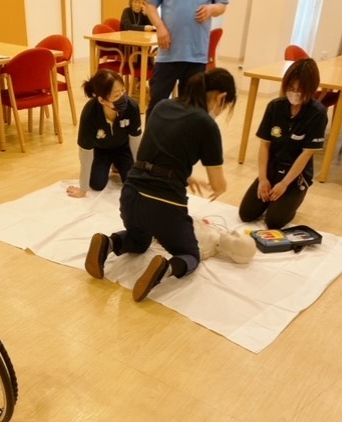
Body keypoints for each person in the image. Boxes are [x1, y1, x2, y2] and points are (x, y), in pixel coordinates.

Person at [84, 67, 236, 302]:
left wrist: (185, 176)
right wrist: (215, 185)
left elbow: (157, 153)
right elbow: (219, 185)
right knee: (190, 254)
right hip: (165, 204)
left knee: (139, 240)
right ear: (221, 98)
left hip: (131, 194)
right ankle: (164, 269)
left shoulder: (163, 106)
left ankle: (109, 243)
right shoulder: (206, 124)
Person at [238, 58, 328, 229]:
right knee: (246, 214)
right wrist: (263, 179)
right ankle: (271, 196)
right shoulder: (275, 106)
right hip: (272, 169)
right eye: (291, 88)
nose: (294, 93)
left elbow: (306, 153)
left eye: (300, 90)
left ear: (311, 89)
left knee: (274, 221)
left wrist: (285, 184)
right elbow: (264, 145)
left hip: (295, 176)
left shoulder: (317, 113)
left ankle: (290, 201)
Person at [144, 0, 229, 120]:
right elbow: (150, 5)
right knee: (156, 104)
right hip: (168, 52)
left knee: (191, 108)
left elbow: (222, 5)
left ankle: (184, 132)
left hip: (197, 54)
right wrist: (159, 27)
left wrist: (211, 9)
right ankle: (151, 133)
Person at [66, 70, 141, 198]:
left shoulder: (132, 107)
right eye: (116, 95)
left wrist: (139, 172)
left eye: (123, 91)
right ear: (102, 99)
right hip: (101, 150)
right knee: (96, 184)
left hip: (123, 148)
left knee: (132, 181)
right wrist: (83, 189)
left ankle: (118, 165)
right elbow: (85, 152)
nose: (122, 97)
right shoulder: (90, 114)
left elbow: (136, 141)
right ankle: (110, 165)